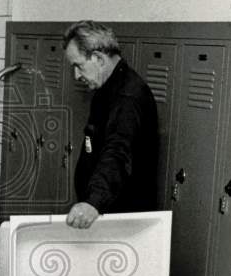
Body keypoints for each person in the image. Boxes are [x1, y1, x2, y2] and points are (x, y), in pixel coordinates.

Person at [63, 21, 159, 229]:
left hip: (120, 218)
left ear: (98, 58)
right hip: (105, 211)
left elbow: (118, 151)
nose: (76, 76)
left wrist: (93, 202)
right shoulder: (106, 89)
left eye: (78, 66)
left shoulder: (127, 97)